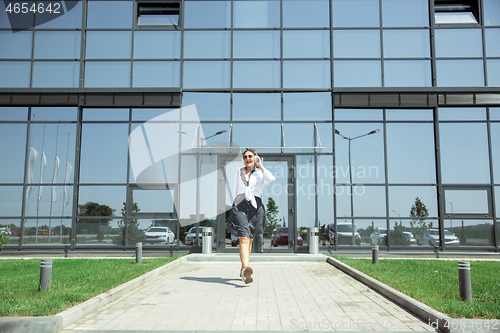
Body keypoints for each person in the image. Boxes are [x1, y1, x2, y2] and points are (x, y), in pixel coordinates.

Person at [227, 148, 275, 284]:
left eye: (250, 156)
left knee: (249, 239)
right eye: (245, 157)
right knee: (243, 237)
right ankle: (246, 268)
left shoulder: (260, 173)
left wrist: (260, 165)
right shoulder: (238, 172)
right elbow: (234, 188)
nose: (247, 158)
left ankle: (244, 270)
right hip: (240, 204)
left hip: (255, 206)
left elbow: (271, 178)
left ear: (255, 158)